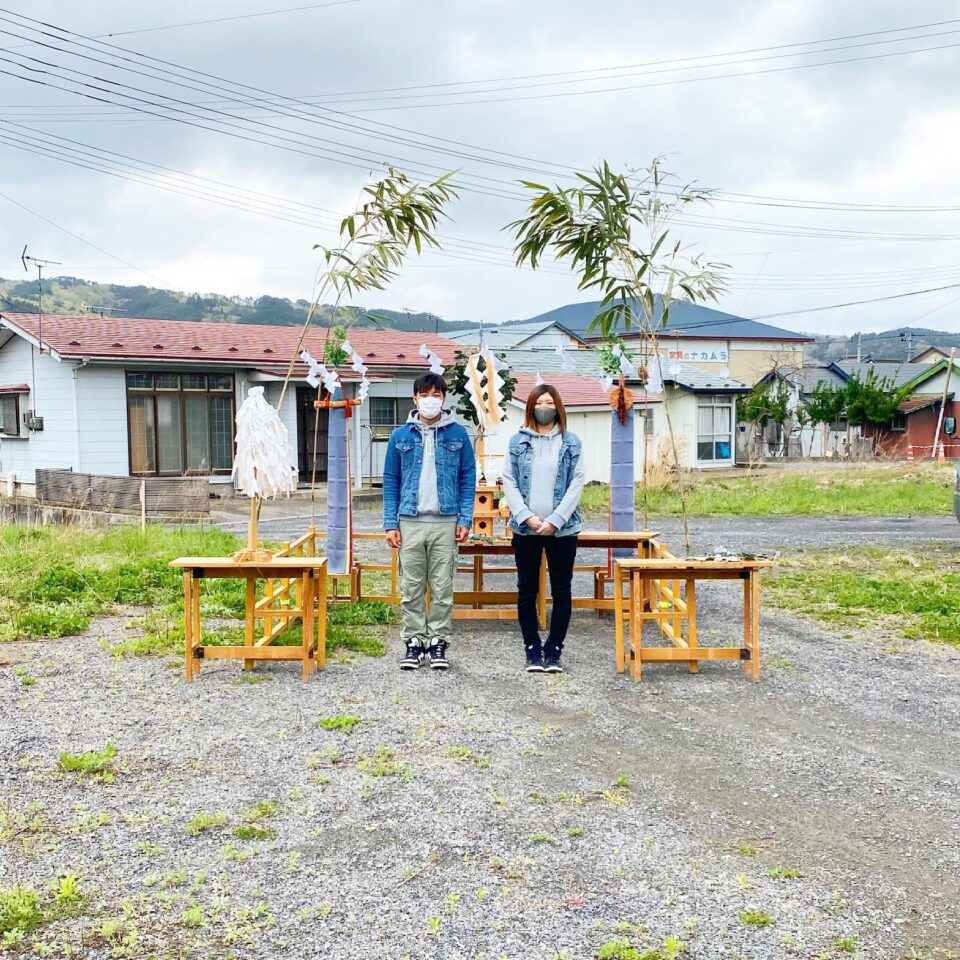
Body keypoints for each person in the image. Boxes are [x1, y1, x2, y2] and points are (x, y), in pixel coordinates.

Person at [383, 373, 476, 671]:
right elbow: (390, 480)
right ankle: (413, 642)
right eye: (425, 394)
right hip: (409, 520)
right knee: (410, 586)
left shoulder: (458, 435)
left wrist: (465, 517)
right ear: (415, 399)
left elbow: (467, 477)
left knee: (441, 586)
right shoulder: (400, 436)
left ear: (444, 399)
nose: (430, 399)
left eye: (436, 394)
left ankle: (437, 642)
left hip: (445, 521)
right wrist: (390, 523)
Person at [501, 384, 585, 674]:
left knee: (562, 590)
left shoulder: (571, 442)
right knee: (526, 589)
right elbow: (509, 480)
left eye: (550, 402)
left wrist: (556, 520)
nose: (544, 407)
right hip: (526, 529)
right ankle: (532, 648)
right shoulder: (517, 442)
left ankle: (554, 650)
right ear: (531, 407)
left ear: (558, 407)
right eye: (539, 402)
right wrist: (526, 516)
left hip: (563, 530)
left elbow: (577, 482)